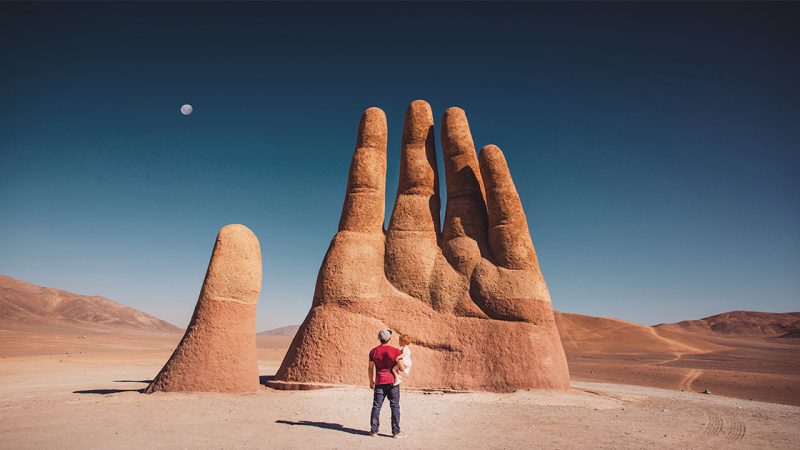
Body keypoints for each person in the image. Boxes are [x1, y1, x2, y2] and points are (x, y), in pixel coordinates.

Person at [368, 329, 405, 438]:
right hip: (393, 382)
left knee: (376, 406)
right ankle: (396, 432)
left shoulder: (373, 351)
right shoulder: (396, 351)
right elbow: (401, 368)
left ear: (379, 339)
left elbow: (370, 368)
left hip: (379, 381)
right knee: (395, 406)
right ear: (389, 339)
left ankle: (374, 431)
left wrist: (371, 381)